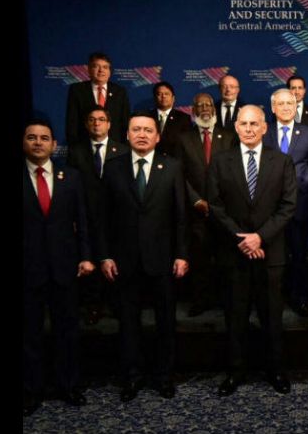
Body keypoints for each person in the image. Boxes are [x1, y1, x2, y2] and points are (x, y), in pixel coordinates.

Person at [97, 113, 189, 402]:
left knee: (165, 323)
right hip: (124, 261)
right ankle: (132, 378)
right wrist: (104, 256)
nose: (142, 134)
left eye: (148, 130)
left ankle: (164, 377)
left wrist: (182, 255)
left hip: (162, 259)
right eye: (136, 129)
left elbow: (181, 217)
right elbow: (102, 218)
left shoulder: (172, 167)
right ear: (126, 134)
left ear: (157, 136)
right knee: (128, 323)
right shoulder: (112, 168)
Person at [207, 105, 297, 396]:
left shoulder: (282, 161)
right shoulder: (220, 161)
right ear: (236, 127)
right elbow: (215, 205)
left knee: (272, 317)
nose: (248, 128)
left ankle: (276, 371)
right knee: (235, 317)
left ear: (264, 127)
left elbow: (287, 206)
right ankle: (235, 372)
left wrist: (260, 237)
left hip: (271, 254)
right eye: (243, 124)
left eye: (253, 123)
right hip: (234, 254)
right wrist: (243, 239)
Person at [23, 119, 94, 416]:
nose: (38, 142)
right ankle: (31, 391)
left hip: (65, 267)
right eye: (31, 137)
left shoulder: (71, 177)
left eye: (44, 138)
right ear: (24, 142)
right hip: (27, 270)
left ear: (54, 145)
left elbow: (83, 221)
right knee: (29, 335)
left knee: (67, 331)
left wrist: (86, 256)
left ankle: (68, 385)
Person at [175, 93, 236, 317]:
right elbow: (179, 174)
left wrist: (220, 203)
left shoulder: (228, 137)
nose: (205, 108)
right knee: (199, 257)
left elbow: (234, 172)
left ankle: (225, 299)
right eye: (199, 105)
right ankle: (200, 300)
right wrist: (196, 200)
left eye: (209, 104)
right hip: (196, 209)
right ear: (193, 109)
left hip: (225, 210)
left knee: (225, 258)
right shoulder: (184, 138)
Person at [67, 108, 129, 325]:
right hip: (87, 216)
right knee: (91, 261)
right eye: (92, 120)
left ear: (109, 125)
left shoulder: (122, 150)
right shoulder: (76, 152)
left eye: (101, 120)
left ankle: (116, 304)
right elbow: (71, 187)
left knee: (115, 262)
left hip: (116, 217)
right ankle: (94, 306)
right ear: (86, 125)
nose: (96, 124)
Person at [262, 89, 308, 317]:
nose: (286, 107)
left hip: (299, 205)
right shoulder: (263, 132)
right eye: (281, 103)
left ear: (296, 107)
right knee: (272, 256)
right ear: (273, 108)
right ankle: (271, 299)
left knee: (298, 254)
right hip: (268, 207)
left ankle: (300, 297)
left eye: (290, 103)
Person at [65, 51, 131, 146]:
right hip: (85, 147)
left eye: (105, 67)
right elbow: (72, 123)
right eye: (96, 66)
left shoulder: (120, 92)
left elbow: (125, 123)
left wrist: (123, 148)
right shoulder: (77, 90)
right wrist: (75, 148)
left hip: (114, 147)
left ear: (109, 72)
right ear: (89, 69)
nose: (101, 70)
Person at [150, 81, 192, 156]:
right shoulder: (147, 117)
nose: (163, 96)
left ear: (173, 98)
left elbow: (187, 145)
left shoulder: (183, 118)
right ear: (155, 98)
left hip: (174, 161)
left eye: (166, 94)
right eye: (159, 94)